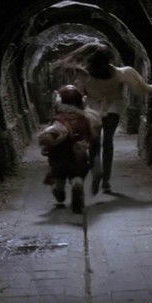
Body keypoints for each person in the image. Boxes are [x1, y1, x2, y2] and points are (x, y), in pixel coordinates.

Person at [53, 43, 152, 194]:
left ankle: (97, 170)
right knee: (108, 141)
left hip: (94, 109)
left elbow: (78, 95)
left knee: (95, 143)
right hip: (112, 106)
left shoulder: (85, 76)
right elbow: (143, 87)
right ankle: (106, 180)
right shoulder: (121, 73)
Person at [38, 85, 101, 213]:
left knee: (59, 178)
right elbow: (93, 137)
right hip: (78, 155)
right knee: (77, 175)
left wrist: (47, 146)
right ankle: (77, 183)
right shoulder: (86, 119)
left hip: (59, 157)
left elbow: (47, 137)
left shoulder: (58, 120)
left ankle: (59, 192)